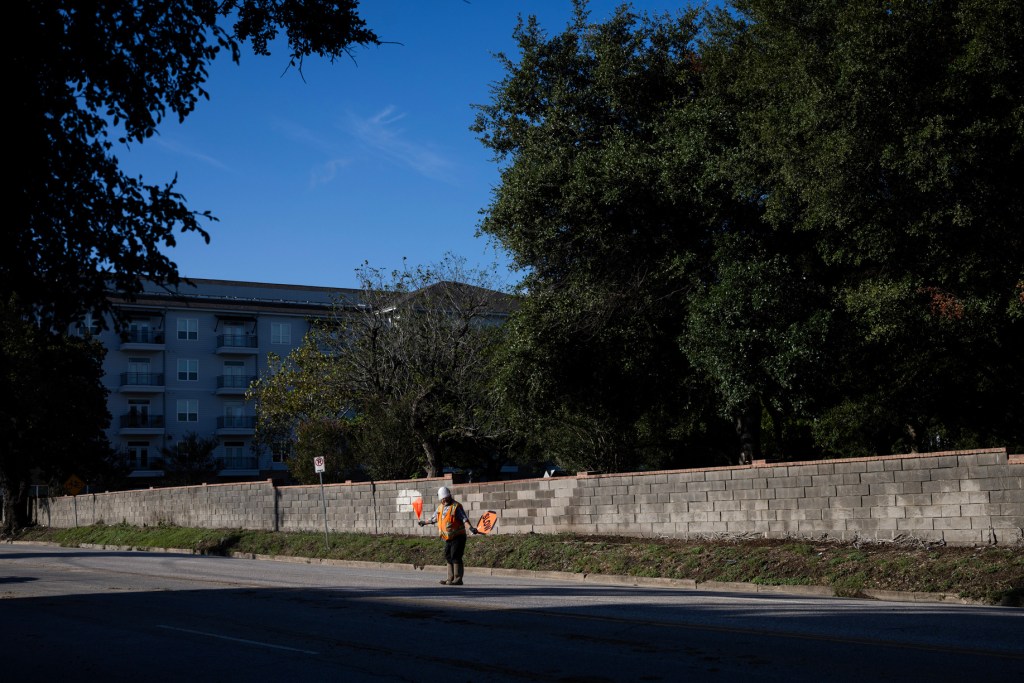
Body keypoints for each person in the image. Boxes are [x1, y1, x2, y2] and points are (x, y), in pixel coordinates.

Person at [418, 486, 478, 585]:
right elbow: (434, 519)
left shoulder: (456, 506)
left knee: (455, 555)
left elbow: (464, 519)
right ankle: (450, 578)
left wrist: (471, 528)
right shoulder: (440, 507)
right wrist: (424, 522)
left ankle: (458, 579)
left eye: (445, 498)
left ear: (449, 496)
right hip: (448, 538)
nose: (444, 500)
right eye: (442, 499)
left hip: (458, 536)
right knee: (448, 555)